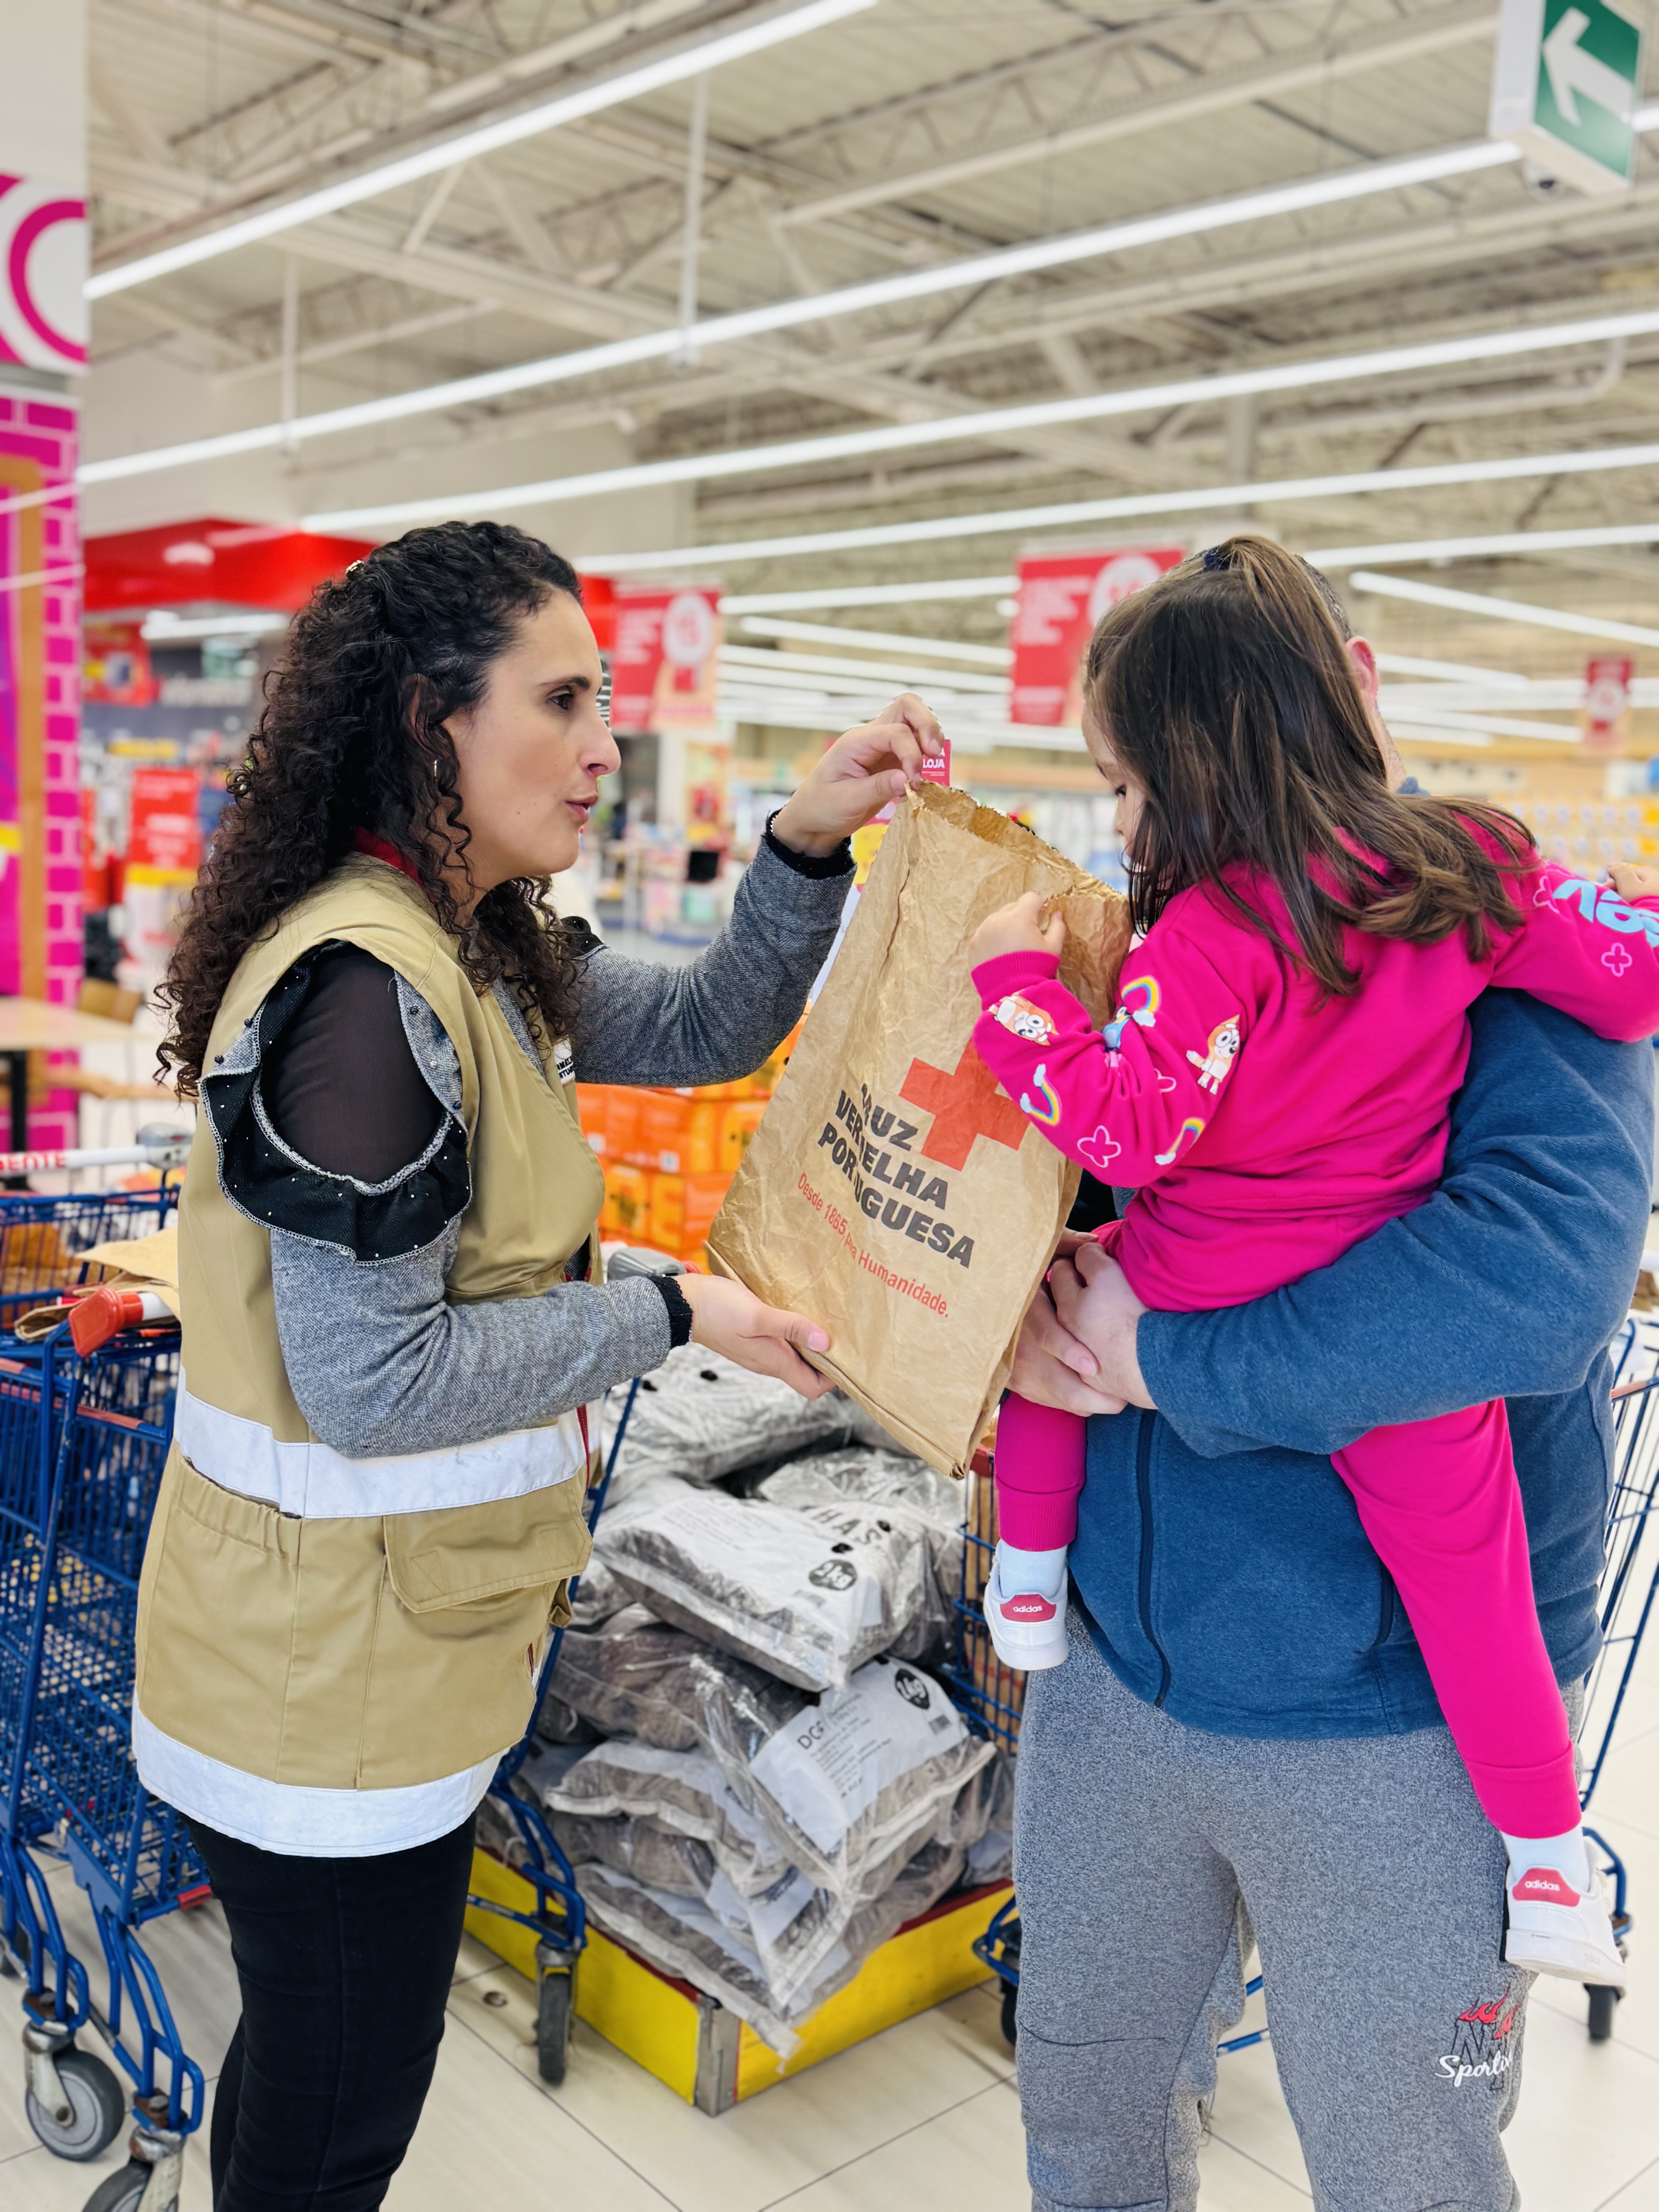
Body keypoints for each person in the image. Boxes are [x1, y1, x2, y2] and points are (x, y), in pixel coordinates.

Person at [136, 520, 935, 2211]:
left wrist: (803, 840)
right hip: (316, 1689)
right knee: (334, 2121)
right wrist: (668, 1312)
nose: (602, 750)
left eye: (606, 704)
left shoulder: (472, 944)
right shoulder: (367, 994)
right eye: (562, 702)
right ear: (430, 719)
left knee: (309, 2076)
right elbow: (374, 1383)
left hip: (376, 1648)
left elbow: (703, 1027)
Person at [1000, 574, 1653, 2210]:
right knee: (1085, 2112)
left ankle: (1543, 1849)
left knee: (1400, 2166)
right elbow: (1110, 1183)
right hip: (1115, 1670)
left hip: (1389, 1716)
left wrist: (1154, 1364)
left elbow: (1532, 1285)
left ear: (1352, 679)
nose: (1140, 817)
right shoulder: (1175, 933)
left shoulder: (1487, 932)